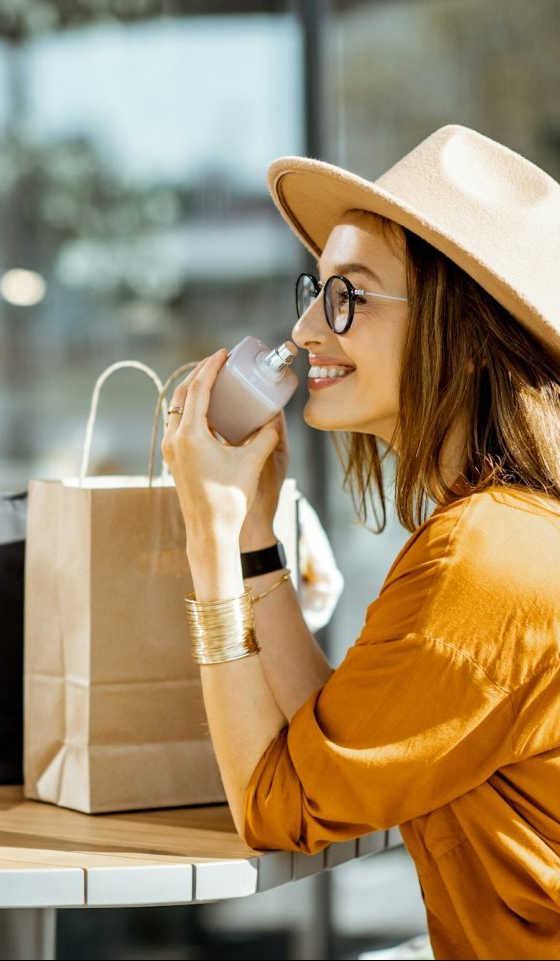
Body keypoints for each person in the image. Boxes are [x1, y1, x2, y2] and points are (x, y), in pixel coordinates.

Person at [161, 125, 560, 960]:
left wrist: (209, 535)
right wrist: (256, 532)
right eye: (316, 288)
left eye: (349, 295)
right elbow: (330, 745)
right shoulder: (498, 530)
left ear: (463, 328)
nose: (306, 328)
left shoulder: (483, 563)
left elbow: (276, 807)